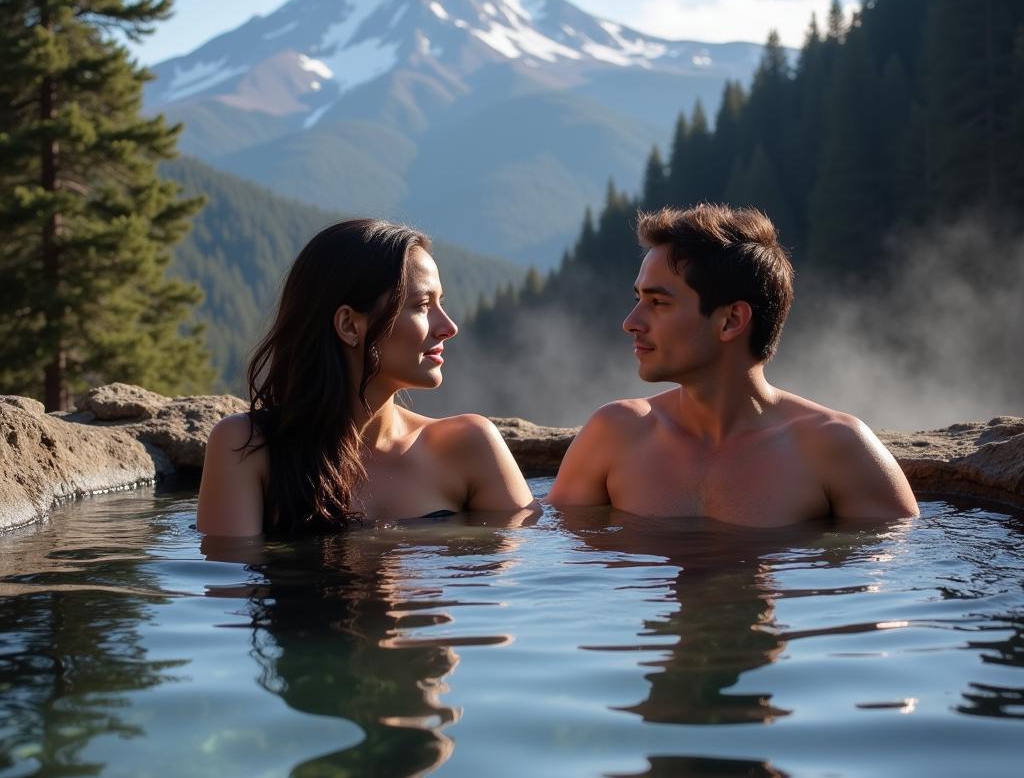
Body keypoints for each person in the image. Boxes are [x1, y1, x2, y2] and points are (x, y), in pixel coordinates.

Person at [547, 203, 919, 526]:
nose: (631, 322)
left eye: (658, 303)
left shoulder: (834, 448)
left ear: (731, 321)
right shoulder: (614, 435)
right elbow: (554, 566)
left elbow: (888, 589)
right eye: (638, 299)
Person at [197, 219, 534, 536]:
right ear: (348, 325)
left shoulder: (470, 445)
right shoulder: (247, 446)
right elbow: (230, 586)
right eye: (421, 305)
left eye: (440, 304)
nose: (448, 327)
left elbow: (517, 580)